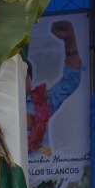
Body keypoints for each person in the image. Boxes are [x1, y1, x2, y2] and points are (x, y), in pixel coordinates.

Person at [27, 20, 83, 159]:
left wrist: (70, 41)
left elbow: (71, 81)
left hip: (43, 173)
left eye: (23, 77)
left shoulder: (43, 100)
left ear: (30, 80)